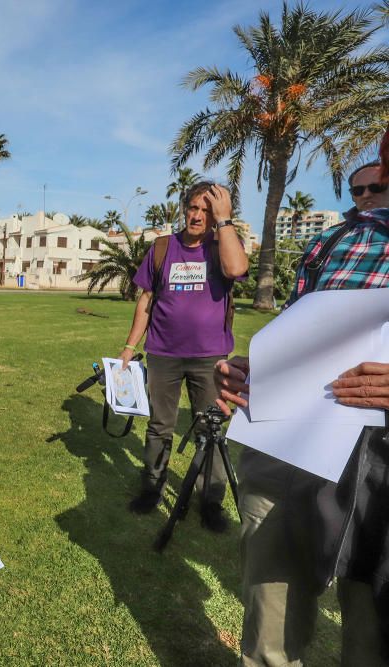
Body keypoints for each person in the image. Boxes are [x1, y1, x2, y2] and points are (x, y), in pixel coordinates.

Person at [216, 149, 389, 665]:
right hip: (290, 447)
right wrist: (264, 369)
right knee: (272, 608)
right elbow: (301, 335)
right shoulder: (330, 240)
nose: (365, 194)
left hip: (380, 464)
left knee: (371, 628)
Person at [118, 181, 248, 530]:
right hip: (163, 353)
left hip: (211, 357)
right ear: (183, 208)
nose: (197, 215)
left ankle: (211, 501)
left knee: (212, 428)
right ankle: (152, 486)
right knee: (161, 425)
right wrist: (130, 346)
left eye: (206, 210)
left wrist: (224, 222)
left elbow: (236, 271)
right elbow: (145, 301)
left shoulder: (223, 246)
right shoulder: (163, 248)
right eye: (193, 207)